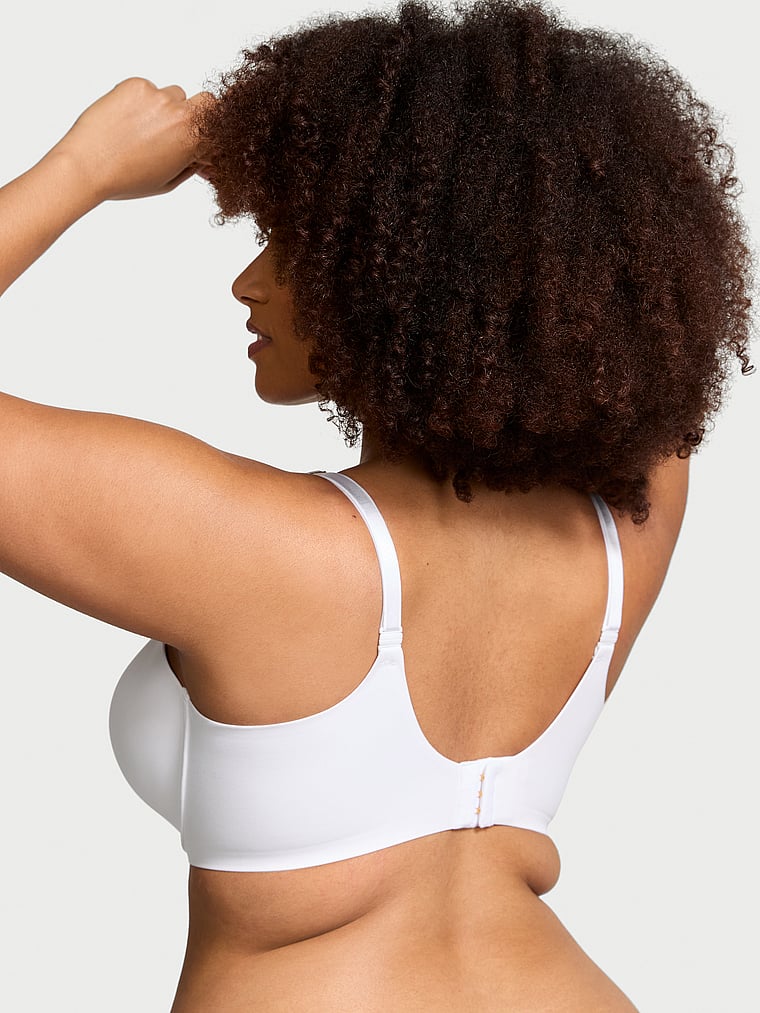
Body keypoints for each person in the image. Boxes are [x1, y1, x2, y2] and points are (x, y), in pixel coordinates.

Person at [1, 0, 754, 1009]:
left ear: (400, 274)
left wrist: (82, 169)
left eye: (292, 240)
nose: (246, 282)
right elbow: (635, 324)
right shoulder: (626, 534)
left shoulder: (258, 549)